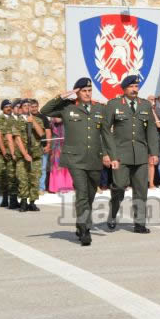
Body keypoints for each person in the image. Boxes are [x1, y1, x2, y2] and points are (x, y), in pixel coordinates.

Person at [42, 78, 109, 245]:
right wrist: (61, 96)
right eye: (84, 91)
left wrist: (107, 154)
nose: (87, 93)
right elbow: (45, 110)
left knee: (91, 192)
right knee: (82, 192)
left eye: (89, 91)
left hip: (94, 157)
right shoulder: (67, 107)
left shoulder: (98, 108)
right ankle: (85, 228)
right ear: (77, 92)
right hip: (75, 159)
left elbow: (105, 134)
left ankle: (81, 221)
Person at [104, 75, 159, 234]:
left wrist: (153, 152)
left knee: (141, 189)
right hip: (120, 154)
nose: (135, 89)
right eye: (131, 87)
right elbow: (105, 130)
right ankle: (113, 213)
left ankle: (139, 223)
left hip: (141, 154)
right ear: (124, 88)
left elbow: (151, 130)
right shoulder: (113, 105)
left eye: (136, 86)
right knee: (119, 186)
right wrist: (108, 153)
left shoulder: (145, 105)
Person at [12, 99, 45, 212]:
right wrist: (25, 154)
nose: (27, 107)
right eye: (24, 105)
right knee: (22, 179)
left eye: (29, 105)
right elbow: (17, 139)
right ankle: (24, 202)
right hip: (22, 156)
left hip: (35, 155)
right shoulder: (16, 122)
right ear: (20, 108)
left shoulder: (38, 120)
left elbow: (41, 133)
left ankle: (32, 202)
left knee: (35, 179)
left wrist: (33, 122)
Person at [0, 100, 16, 207]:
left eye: (10, 106)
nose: (9, 108)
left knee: (12, 175)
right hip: (2, 153)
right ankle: (5, 198)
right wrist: (4, 152)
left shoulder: (14, 119)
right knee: (2, 175)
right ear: (3, 108)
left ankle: (13, 199)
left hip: (13, 152)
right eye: (6, 106)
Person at [30, 99, 52, 194]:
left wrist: (48, 144)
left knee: (42, 168)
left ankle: (41, 188)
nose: (34, 109)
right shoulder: (26, 117)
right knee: (30, 168)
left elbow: (48, 131)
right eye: (32, 107)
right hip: (30, 147)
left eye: (36, 106)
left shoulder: (43, 118)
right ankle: (31, 187)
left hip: (42, 146)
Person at [47, 117, 74, 193]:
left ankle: (67, 186)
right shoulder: (52, 120)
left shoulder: (67, 116)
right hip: (56, 146)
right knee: (56, 165)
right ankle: (57, 186)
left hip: (67, 144)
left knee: (67, 165)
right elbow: (54, 122)